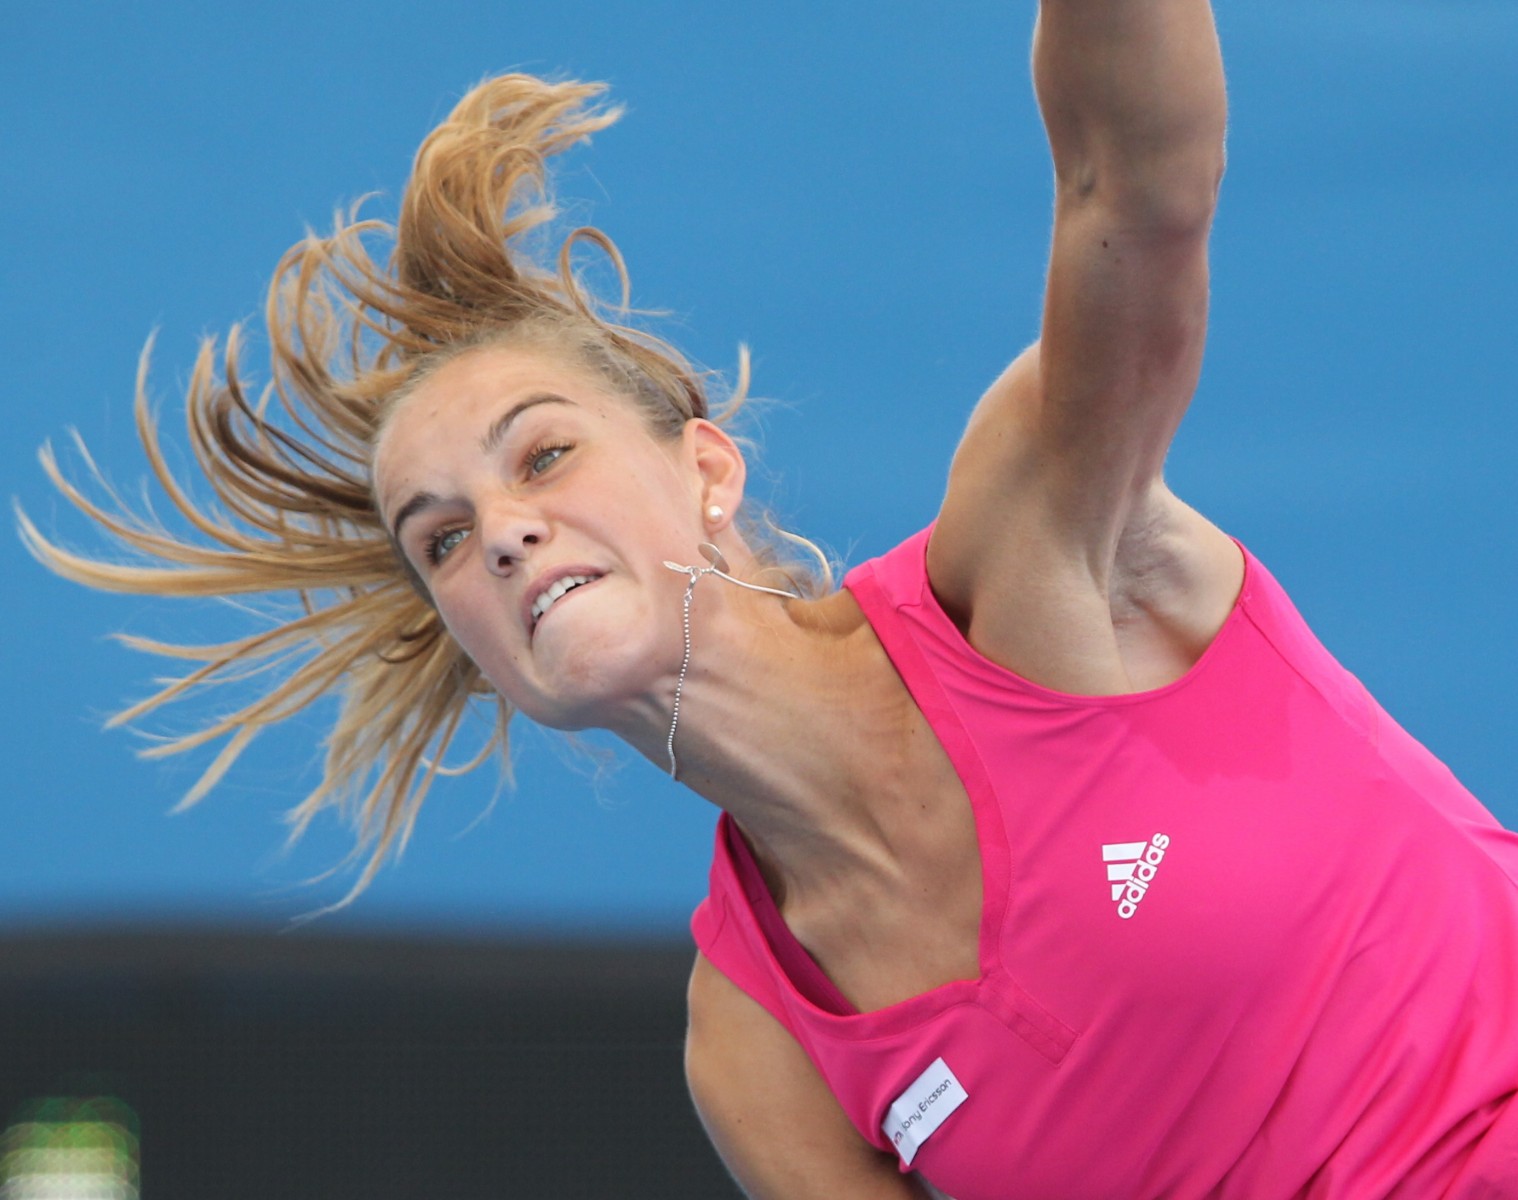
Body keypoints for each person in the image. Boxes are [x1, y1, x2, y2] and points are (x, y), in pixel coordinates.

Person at [20, 2, 1518, 1197]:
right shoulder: (754, 1050)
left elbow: (1138, 185)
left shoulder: (1028, 557)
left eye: (543, 455)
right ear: (482, 656)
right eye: (445, 541)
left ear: (708, 471)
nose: (509, 536)